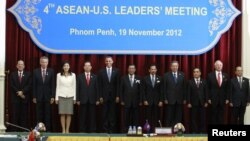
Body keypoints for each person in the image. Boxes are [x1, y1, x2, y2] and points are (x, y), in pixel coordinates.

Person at [98, 56, 120, 133]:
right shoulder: (101, 71)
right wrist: (100, 96)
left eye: (109, 61)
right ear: (105, 62)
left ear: (112, 62)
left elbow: (118, 84)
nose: (108, 62)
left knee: (112, 114)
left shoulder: (116, 71)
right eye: (107, 61)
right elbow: (99, 85)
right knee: (104, 113)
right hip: (104, 96)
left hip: (114, 96)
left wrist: (117, 95)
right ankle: (105, 130)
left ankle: (112, 130)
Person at [33, 56, 55, 131]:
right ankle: (38, 130)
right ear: (40, 62)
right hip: (38, 97)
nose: (44, 63)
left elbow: (53, 85)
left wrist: (52, 96)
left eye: (45, 62)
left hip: (48, 97)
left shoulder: (51, 71)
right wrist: (34, 96)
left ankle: (47, 130)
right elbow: (34, 85)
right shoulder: (36, 71)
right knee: (39, 114)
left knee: (47, 114)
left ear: (48, 63)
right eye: (42, 62)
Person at [76, 61, 100, 132]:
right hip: (82, 100)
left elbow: (97, 88)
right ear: (83, 67)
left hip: (92, 100)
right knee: (83, 117)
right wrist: (78, 99)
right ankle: (82, 130)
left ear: (91, 67)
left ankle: (92, 130)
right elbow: (78, 88)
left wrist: (97, 99)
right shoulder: (80, 76)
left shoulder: (95, 77)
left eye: (88, 66)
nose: (87, 67)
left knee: (92, 117)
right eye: (86, 66)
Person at [10, 60, 31, 131]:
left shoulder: (28, 74)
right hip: (15, 98)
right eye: (19, 64)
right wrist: (18, 93)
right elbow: (12, 85)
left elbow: (29, 85)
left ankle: (23, 130)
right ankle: (15, 130)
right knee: (15, 115)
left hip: (24, 98)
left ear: (24, 66)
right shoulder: (13, 74)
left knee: (24, 115)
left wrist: (22, 92)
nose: (20, 66)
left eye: (22, 64)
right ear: (17, 66)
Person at [120, 65, 142, 132]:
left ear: (135, 70)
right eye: (130, 68)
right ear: (128, 69)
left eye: (133, 68)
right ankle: (126, 130)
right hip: (126, 101)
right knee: (126, 117)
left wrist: (141, 100)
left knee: (135, 117)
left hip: (136, 101)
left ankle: (135, 131)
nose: (131, 70)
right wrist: (122, 100)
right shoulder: (123, 78)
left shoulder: (139, 78)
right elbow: (121, 90)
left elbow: (141, 90)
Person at [163, 61, 186, 127]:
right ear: (171, 67)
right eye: (173, 66)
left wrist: (184, 98)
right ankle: (169, 130)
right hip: (169, 100)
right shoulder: (166, 75)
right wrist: (165, 98)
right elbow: (164, 88)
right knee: (169, 116)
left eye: (176, 66)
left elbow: (184, 88)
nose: (175, 67)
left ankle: (177, 130)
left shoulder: (182, 75)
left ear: (178, 67)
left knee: (178, 116)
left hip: (179, 100)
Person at [55, 61, 76, 133]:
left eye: (67, 65)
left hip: (70, 96)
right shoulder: (58, 75)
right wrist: (56, 98)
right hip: (61, 96)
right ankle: (63, 129)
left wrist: (75, 98)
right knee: (62, 114)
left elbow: (74, 86)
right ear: (62, 67)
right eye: (65, 66)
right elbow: (57, 86)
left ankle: (67, 129)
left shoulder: (73, 75)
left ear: (69, 67)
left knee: (69, 114)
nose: (66, 67)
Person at [207, 60, 229, 124]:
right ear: (214, 66)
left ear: (222, 66)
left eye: (220, 65)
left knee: (221, 116)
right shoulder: (210, 75)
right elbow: (208, 88)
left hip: (223, 99)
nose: (219, 66)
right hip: (213, 99)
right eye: (217, 65)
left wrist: (227, 98)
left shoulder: (226, 75)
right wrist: (208, 98)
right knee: (213, 115)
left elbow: (228, 88)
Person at [142, 64, 163, 132]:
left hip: (157, 102)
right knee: (148, 117)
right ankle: (148, 131)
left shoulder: (160, 78)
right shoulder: (145, 78)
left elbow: (161, 91)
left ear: (156, 70)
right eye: (152, 69)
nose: (153, 70)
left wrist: (161, 100)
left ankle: (156, 130)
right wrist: (144, 100)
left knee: (156, 117)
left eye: (154, 69)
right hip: (148, 101)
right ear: (149, 70)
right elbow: (143, 90)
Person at [187, 68, 208, 133]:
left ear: (200, 73)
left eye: (197, 72)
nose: (196, 73)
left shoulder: (204, 81)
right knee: (193, 118)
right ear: (193, 73)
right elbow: (188, 93)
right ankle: (194, 131)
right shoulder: (190, 82)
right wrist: (189, 102)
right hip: (193, 103)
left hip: (202, 103)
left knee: (202, 118)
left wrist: (206, 101)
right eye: (194, 72)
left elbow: (206, 92)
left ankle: (202, 131)